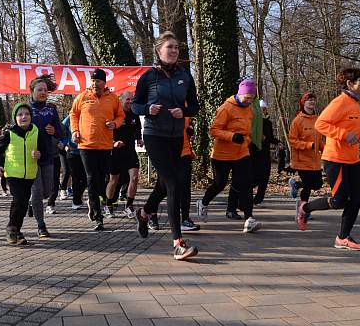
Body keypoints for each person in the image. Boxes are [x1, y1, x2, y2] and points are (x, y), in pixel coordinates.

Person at [132, 31, 200, 261]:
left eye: (177, 48)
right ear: (159, 51)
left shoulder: (185, 76)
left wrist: (184, 111)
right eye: (169, 47)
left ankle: (143, 213)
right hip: (154, 135)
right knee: (173, 184)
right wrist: (146, 109)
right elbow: (135, 105)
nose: (174, 51)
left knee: (164, 185)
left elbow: (195, 107)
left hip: (176, 136)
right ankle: (178, 243)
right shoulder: (149, 77)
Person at [296, 68, 360, 250]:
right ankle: (304, 209)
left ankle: (342, 237)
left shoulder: (354, 103)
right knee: (339, 200)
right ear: (349, 84)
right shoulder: (340, 102)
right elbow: (320, 124)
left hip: (352, 159)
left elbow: (351, 129)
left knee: (357, 197)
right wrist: (344, 135)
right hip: (335, 159)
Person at [196, 78, 262, 234]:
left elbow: (247, 131)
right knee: (220, 183)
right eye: (247, 98)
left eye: (252, 99)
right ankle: (203, 202)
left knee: (246, 184)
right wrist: (232, 136)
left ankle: (249, 219)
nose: (249, 102)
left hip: (241, 153)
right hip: (222, 154)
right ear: (240, 94)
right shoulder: (226, 108)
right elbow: (214, 130)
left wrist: (247, 141)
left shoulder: (250, 109)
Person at [71, 69, 125, 231]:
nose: (95, 83)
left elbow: (121, 116)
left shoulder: (113, 99)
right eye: (93, 81)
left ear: (104, 83)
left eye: (98, 81)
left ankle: (93, 202)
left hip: (105, 144)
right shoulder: (82, 97)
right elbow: (73, 114)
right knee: (91, 177)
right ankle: (97, 214)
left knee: (102, 178)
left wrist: (115, 124)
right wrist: (75, 131)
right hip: (86, 144)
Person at [0, 103, 45, 244]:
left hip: (29, 174)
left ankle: (17, 231)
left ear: (31, 117)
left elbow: (44, 150)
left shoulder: (36, 132)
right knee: (19, 200)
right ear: (15, 118)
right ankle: (11, 228)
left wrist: (39, 154)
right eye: (20, 114)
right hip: (13, 174)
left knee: (23, 203)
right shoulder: (9, 133)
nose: (24, 117)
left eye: (27, 114)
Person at [28, 76, 63, 237]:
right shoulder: (26, 109)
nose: (43, 93)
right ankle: (41, 225)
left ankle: (31, 202)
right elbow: (17, 130)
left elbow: (62, 132)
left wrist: (54, 131)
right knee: (37, 192)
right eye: (39, 90)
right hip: (31, 156)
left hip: (48, 155)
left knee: (47, 192)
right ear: (32, 91)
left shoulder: (51, 110)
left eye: (45, 90)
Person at [104, 91, 142, 219]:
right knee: (113, 180)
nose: (130, 102)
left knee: (135, 177)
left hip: (130, 151)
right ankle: (108, 205)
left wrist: (139, 139)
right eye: (128, 99)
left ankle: (128, 206)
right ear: (121, 100)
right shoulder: (115, 114)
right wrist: (113, 143)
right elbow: (106, 131)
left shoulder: (134, 114)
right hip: (115, 152)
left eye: (132, 99)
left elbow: (138, 128)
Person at [288, 92, 323, 213]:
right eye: (309, 100)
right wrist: (308, 145)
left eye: (314, 99)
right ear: (303, 103)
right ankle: (303, 210)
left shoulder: (318, 120)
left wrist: (326, 149)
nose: (312, 102)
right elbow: (292, 141)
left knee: (318, 184)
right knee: (308, 186)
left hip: (315, 160)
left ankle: (296, 184)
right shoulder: (297, 121)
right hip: (301, 160)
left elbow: (319, 141)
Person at [250, 99, 281, 206]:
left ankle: (258, 199)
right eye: (261, 109)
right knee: (254, 178)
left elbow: (270, 138)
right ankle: (245, 198)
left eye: (264, 109)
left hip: (265, 153)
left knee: (265, 178)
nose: (263, 111)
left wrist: (278, 142)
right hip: (254, 153)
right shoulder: (252, 121)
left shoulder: (268, 122)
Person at [62, 116, 87, 210]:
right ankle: (76, 201)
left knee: (85, 178)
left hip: (85, 151)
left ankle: (78, 196)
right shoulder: (68, 120)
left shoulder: (87, 116)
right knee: (76, 178)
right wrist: (65, 144)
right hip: (72, 152)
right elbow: (61, 133)